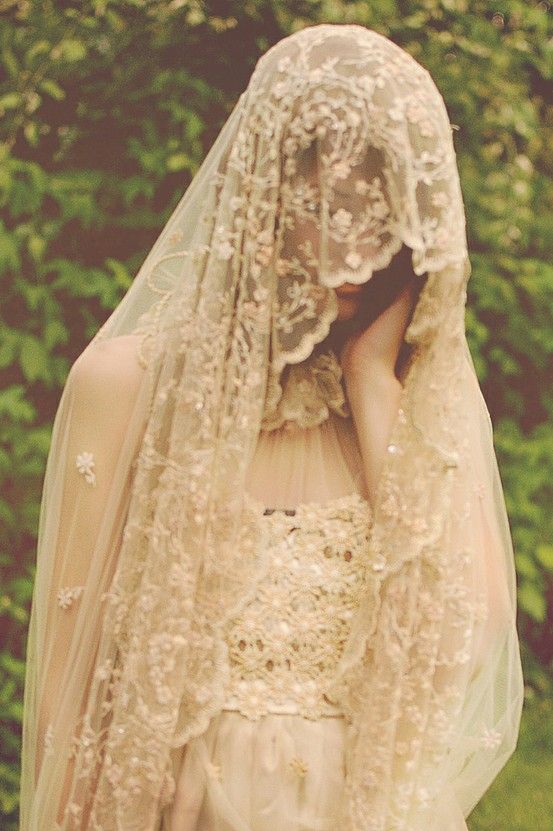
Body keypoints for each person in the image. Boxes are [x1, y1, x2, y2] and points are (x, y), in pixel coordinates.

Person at [19, 23, 524, 831]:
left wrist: (368, 379)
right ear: (265, 193)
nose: (359, 244)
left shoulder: (405, 406)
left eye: (383, 202)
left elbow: (476, 627)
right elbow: (63, 698)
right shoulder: (122, 387)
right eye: (331, 200)